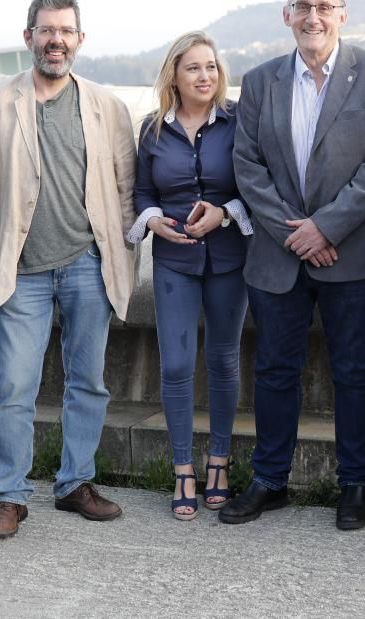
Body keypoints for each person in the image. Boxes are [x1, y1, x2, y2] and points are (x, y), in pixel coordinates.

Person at [221, 0, 365, 531]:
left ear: (343, 14)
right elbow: (246, 166)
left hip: (354, 253)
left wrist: (325, 229)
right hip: (278, 257)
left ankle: (355, 483)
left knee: (354, 371)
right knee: (275, 370)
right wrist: (294, 233)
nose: (313, 17)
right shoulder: (258, 81)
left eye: (325, 7)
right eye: (303, 6)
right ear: (287, 15)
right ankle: (270, 480)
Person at [0, 0, 137, 538]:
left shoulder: (106, 105)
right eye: (46, 30)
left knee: (88, 382)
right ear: (29, 37)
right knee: (15, 385)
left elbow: (125, 189)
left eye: (66, 31)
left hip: (88, 263)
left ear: (80, 39)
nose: (56, 40)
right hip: (22, 271)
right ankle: (10, 496)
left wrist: (123, 258)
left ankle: (74, 484)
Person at [127, 31, 252, 520]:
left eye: (211, 67)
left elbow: (255, 187)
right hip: (174, 261)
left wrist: (223, 213)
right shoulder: (152, 130)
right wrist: (153, 219)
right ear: (174, 77)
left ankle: (218, 461)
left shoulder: (240, 124)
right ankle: (183, 467)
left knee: (223, 359)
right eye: (193, 68)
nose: (205, 76)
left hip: (228, 260)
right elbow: (141, 192)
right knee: (176, 365)